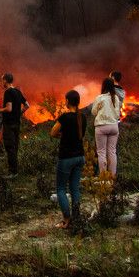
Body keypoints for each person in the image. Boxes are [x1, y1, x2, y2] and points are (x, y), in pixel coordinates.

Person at [50, 90, 86, 228]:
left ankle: (66, 220)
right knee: (75, 188)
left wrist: (63, 136)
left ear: (67, 101)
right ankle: (76, 217)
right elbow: (80, 135)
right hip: (80, 156)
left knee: (60, 188)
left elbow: (53, 132)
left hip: (66, 157)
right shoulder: (82, 117)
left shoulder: (64, 117)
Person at [0, 72, 29, 177]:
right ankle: (15, 170)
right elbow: (27, 105)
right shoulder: (18, 92)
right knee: (15, 146)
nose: (2, 82)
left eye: (2, 80)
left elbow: (9, 108)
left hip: (9, 124)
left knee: (10, 147)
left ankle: (13, 172)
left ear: (6, 80)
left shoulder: (8, 92)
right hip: (17, 123)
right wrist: (19, 113)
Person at [91, 77, 122, 178]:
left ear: (103, 86)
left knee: (101, 152)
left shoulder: (100, 98)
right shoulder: (116, 98)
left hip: (102, 126)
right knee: (112, 152)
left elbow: (93, 112)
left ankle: (104, 177)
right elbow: (118, 114)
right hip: (114, 126)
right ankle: (112, 177)